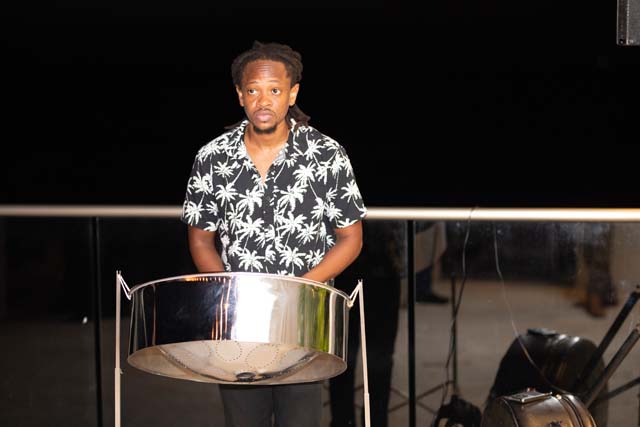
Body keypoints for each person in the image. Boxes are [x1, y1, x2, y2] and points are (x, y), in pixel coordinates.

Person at [180, 40, 367, 427]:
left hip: (303, 323)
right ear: (240, 95)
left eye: (275, 90)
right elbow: (200, 239)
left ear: (292, 93)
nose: (263, 101)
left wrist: (297, 292)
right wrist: (229, 293)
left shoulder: (326, 154)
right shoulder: (212, 157)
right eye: (253, 90)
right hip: (238, 328)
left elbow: (351, 238)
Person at [329, 219, 404, 427]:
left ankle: (363, 421)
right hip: (348, 261)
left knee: (374, 357)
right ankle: (346, 420)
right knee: (343, 356)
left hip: (379, 262)